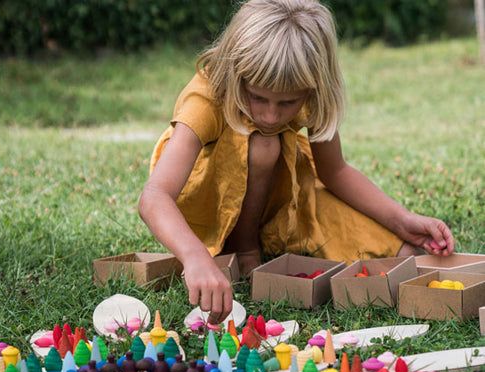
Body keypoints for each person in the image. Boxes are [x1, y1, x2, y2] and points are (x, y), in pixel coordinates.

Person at [138, 0, 454, 324]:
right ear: (237, 74)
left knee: (405, 254)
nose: (270, 115)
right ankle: (243, 248)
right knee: (264, 144)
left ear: (313, 88)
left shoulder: (311, 92)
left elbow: (335, 172)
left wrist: (401, 220)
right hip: (202, 203)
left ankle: (261, 237)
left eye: (287, 103)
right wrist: (196, 258)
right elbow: (154, 198)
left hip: (278, 197)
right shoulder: (207, 95)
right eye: (257, 97)